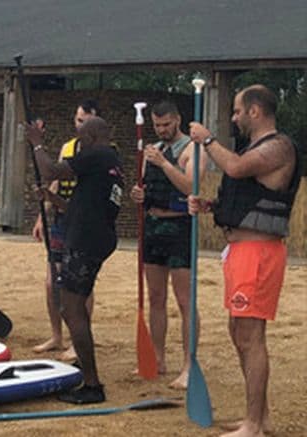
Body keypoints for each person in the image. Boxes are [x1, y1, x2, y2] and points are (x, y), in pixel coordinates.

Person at [188, 85, 301, 437]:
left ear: (255, 111)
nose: (234, 118)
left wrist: (207, 141)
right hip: (240, 252)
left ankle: (253, 424)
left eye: (236, 111)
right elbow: (243, 193)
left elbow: (236, 169)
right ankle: (259, 416)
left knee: (251, 335)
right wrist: (210, 207)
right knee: (238, 331)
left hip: (259, 255)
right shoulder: (251, 148)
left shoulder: (279, 147)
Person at [27, 116, 123, 404]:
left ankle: (92, 384)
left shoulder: (97, 154)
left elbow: (51, 170)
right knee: (74, 304)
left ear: (92, 136)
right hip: (95, 235)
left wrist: (36, 143)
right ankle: (84, 362)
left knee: (70, 307)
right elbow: (82, 207)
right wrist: (51, 200)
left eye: (81, 137)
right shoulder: (110, 163)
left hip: (85, 241)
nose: (78, 143)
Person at [129, 101, 206, 389]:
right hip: (153, 226)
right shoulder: (152, 151)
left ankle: (189, 364)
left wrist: (164, 163)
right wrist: (139, 195)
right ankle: (157, 358)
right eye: (157, 125)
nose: (161, 130)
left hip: (180, 227)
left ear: (177, 120)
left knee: (185, 300)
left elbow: (192, 187)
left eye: (166, 124)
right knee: (156, 297)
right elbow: (147, 188)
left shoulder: (192, 150)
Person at [32, 100, 99, 362]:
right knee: (52, 282)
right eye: (77, 120)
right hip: (61, 218)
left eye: (85, 120)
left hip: (85, 223)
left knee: (81, 283)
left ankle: (78, 338)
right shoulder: (68, 148)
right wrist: (42, 216)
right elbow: (57, 181)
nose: (79, 125)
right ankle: (56, 335)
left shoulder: (103, 150)